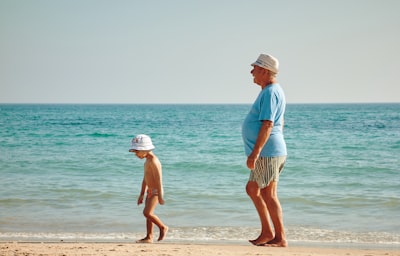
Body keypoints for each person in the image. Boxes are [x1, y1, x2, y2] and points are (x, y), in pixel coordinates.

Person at [241, 54, 288, 247]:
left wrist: (256, 152)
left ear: (265, 70)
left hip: (268, 153)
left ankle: (274, 235)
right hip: (272, 150)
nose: (251, 71)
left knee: (254, 189)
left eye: (255, 67)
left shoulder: (270, 92)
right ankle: (272, 235)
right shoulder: (270, 91)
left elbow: (268, 124)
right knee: (267, 193)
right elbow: (280, 122)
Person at [129, 134, 168, 243]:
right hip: (149, 191)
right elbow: (145, 179)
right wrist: (141, 194)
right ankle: (149, 236)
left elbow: (159, 180)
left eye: (137, 151)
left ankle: (163, 227)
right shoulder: (147, 161)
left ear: (145, 149)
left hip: (155, 192)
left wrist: (160, 195)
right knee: (148, 215)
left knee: (147, 213)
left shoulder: (154, 161)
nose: (136, 154)